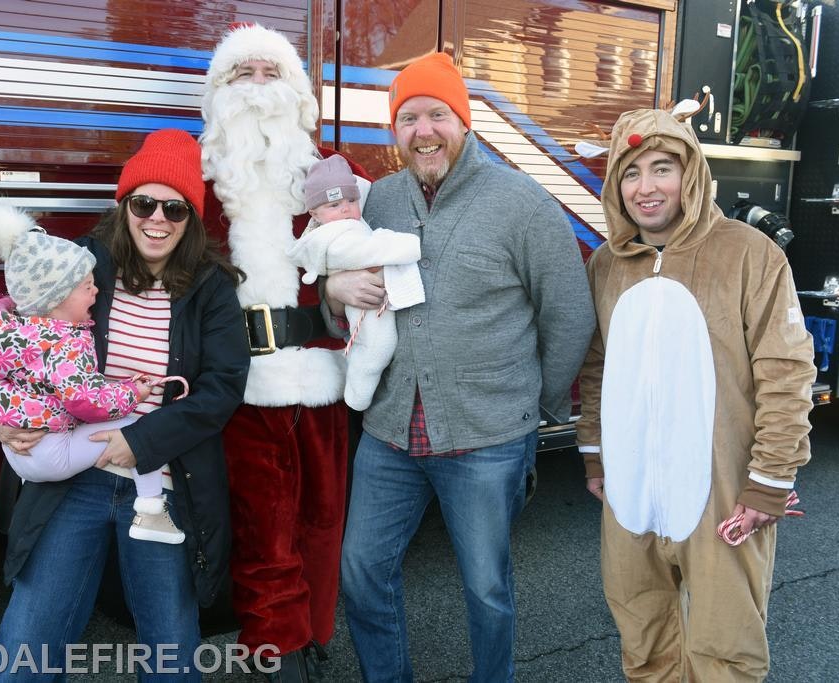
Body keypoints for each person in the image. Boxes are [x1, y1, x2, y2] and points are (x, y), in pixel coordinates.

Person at [328, 52, 596, 682]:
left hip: (487, 438)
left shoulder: (521, 201)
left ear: (464, 121)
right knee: (362, 572)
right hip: (390, 432)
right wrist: (336, 295)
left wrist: (532, 407)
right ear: (394, 130)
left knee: (486, 589)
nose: (424, 130)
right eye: (409, 117)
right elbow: (352, 311)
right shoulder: (380, 202)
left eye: (437, 115)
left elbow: (569, 314)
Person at [0, 128, 250, 680]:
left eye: (175, 209)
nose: (158, 220)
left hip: (162, 475)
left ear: (191, 218)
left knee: (171, 647)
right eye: (145, 203)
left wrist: (138, 442)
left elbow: (223, 387)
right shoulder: (82, 262)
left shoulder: (211, 286)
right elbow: (11, 338)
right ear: (124, 204)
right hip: (72, 476)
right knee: (29, 638)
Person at [575, 107, 816, 681]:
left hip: (723, 491)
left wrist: (769, 482)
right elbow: (596, 364)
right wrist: (593, 450)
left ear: (692, 174)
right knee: (644, 641)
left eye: (662, 168)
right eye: (630, 173)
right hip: (631, 492)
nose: (646, 187)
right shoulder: (606, 266)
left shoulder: (749, 254)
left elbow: (787, 373)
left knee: (725, 649)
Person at [197, 23, 369, 681]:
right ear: (220, 91)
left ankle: (313, 632)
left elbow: (375, 254)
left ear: (296, 91)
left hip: (322, 377)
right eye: (244, 75)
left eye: (273, 74)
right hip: (240, 392)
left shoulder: (332, 171)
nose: (260, 89)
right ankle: (279, 650)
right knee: (264, 530)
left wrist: (348, 286)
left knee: (324, 524)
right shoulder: (199, 178)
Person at [0, 203, 188, 545]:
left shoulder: (1, 327)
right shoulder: (65, 342)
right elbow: (87, 402)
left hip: (17, 455)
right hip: (51, 454)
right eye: (86, 287)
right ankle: (152, 510)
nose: (96, 292)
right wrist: (133, 393)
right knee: (140, 431)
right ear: (57, 298)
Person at [287, 154, 424, 410]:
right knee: (378, 347)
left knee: (376, 347)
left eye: (351, 200)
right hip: (364, 305)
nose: (346, 208)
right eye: (335, 204)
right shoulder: (329, 237)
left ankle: (358, 390)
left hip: (371, 297)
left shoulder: (349, 224)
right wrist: (412, 246)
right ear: (314, 212)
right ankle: (357, 397)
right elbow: (365, 251)